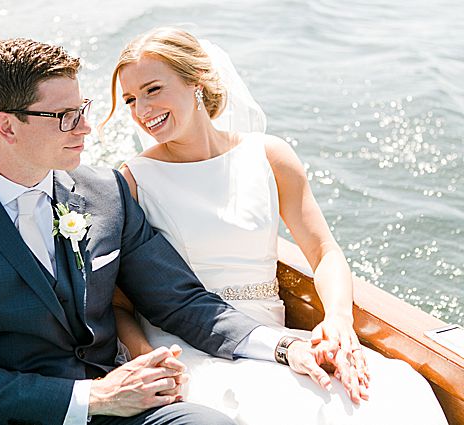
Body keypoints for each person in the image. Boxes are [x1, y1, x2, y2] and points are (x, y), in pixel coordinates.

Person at [0, 38, 353, 425]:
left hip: (119, 406)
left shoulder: (105, 192)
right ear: (7, 126)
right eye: (65, 116)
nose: (87, 127)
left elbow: (180, 299)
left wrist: (286, 345)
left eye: (83, 109)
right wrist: (96, 397)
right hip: (10, 413)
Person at [105, 26, 447, 424]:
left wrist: (337, 320)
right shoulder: (133, 180)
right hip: (188, 347)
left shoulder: (268, 156)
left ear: (195, 81)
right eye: (130, 99)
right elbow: (118, 302)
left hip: (276, 335)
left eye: (152, 90)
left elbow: (324, 253)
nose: (142, 110)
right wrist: (148, 360)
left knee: (392, 396)